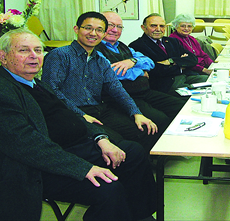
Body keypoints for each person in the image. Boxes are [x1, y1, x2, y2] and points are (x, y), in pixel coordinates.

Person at [0, 28, 156, 221]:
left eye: (38, 50)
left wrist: (101, 138)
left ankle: (138, 215)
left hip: (67, 148)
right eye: (24, 50)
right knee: (107, 188)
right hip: (29, 167)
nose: (34, 56)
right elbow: (28, 147)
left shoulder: (33, 82)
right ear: (3, 57)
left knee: (133, 153)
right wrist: (83, 168)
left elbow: (71, 114)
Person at [42, 11, 161, 152]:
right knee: (123, 145)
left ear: (103, 34)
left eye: (99, 30)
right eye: (88, 28)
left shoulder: (101, 60)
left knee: (146, 131)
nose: (93, 33)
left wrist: (137, 114)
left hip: (100, 110)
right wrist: (81, 115)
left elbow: (116, 88)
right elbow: (51, 91)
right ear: (76, 29)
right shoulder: (59, 55)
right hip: (71, 113)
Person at [96, 11, 185, 139]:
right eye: (110, 25)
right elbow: (112, 73)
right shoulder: (96, 49)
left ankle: (175, 143)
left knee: (180, 107)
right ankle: (159, 154)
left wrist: (132, 61)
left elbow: (149, 62)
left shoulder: (122, 46)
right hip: (124, 97)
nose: (115, 30)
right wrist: (140, 71)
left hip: (145, 92)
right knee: (161, 120)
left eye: (119, 27)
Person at [129, 13, 208, 95]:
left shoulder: (172, 41)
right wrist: (181, 65)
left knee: (211, 82)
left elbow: (193, 59)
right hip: (166, 84)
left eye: (162, 26)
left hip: (186, 76)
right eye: (153, 26)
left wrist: (171, 61)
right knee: (200, 95)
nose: (158, 29)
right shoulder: (137, 45)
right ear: (143, 28)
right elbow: (155, 70)